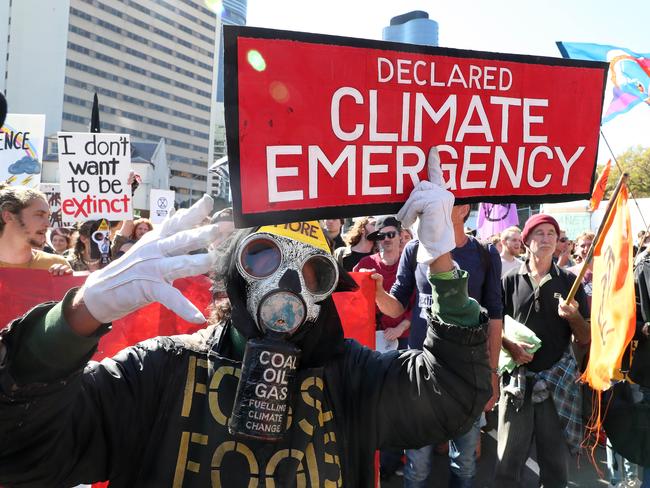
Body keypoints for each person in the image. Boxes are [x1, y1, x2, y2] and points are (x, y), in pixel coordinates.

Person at [0, 164, 492, 486]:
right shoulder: (160, 373)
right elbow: (21, 445)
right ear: (234, 272)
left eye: (314, 272)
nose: (288, 284)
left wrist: (441, 264)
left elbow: (453, 394)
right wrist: (76, 316)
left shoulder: (351, 377)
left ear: (325, 295)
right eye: (265, 257)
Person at [373, 174, 503, 487]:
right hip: (421, 372)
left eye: (447, 201)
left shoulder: (485, 254)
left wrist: (493, 373)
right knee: (416, 466)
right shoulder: (413, 250)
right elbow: (396, 306)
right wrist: (376, 292)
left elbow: (495, 319)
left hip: (467, 374)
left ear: (463, 209)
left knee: (465, 463)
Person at [496, 213, 591, 488]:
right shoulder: (509, 280)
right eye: (540, 233)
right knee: (507, 461)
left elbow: (585, 338)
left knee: (554, 464)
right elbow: (494, 328)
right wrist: (509, 345)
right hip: (516, 382)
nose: (547, 238)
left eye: (552, 233)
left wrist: (573, 317)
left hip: (556, 383)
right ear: (526, 240)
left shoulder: (569, 283)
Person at [354, 215, 411, 349]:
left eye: (390, 234)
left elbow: (418, 305)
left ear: (400, 236)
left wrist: (400, 328)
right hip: (372, 336)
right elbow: (355, 300)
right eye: (381, 236)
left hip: (403, 338)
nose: (386, 239)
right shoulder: (365, 263)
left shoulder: (409, 264)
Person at [0, 184, 71, 275]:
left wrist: (67, 283)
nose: (48, 224)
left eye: (48, 217)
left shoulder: (55, 265)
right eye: (39, 215)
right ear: (8, 216)